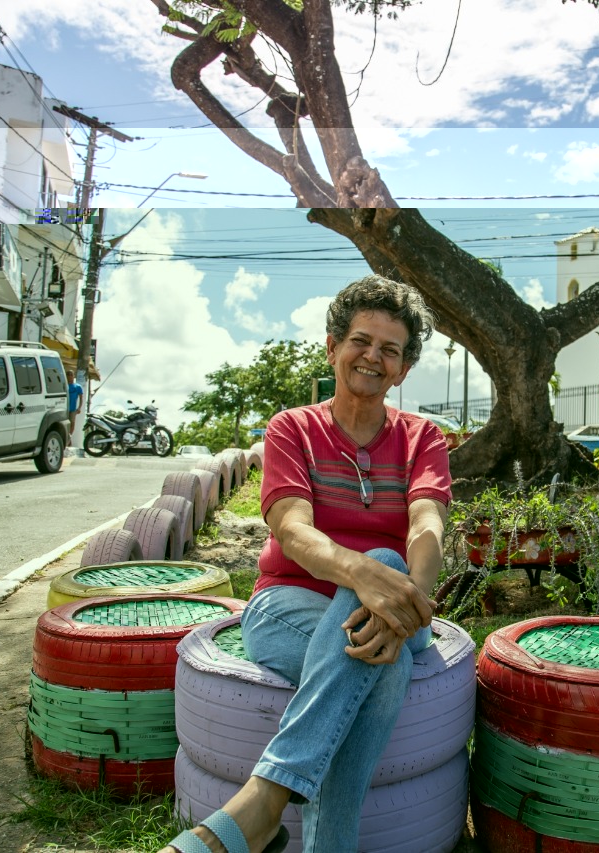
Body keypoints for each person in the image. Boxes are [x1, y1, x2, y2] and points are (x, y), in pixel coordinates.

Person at [164, 275, 451, 853]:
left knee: (386, 573)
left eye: (389, 350)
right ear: (332, 347)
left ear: (403, 369)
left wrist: (406, 600)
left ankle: (260, 807)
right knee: (380, 663)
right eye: (361, 340)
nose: (372, 356)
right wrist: (364, 575)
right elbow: (292, 531)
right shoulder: (292, 428)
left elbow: (427, 524)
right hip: (286, 605)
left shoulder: (424, 438)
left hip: (397, 602)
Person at [66, 370, 83, 440]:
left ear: (73, 376)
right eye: (68, 374)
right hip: (65, 408)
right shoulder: (65, 385)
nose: (69, 376)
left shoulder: (78, 386)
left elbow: (81, 398)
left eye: (71, 374)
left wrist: (79, 408)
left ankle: (69, 437)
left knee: (72, 423)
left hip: (73, 409)